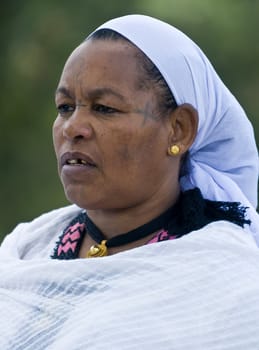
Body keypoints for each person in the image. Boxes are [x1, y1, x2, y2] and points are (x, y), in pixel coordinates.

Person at [0, 14, 259, 349]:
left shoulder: (232, 287)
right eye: (65, 107)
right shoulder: (26, 247)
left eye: (105, 108)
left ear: (179, 128)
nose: (72, 127)